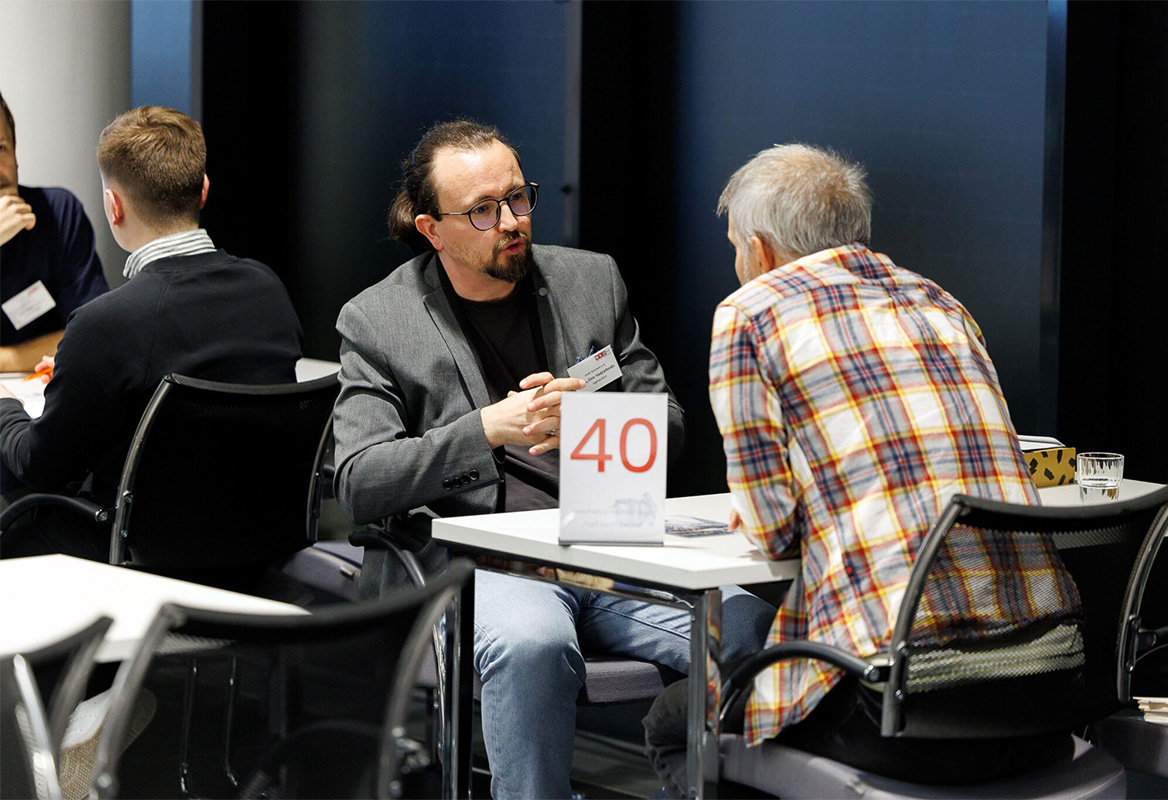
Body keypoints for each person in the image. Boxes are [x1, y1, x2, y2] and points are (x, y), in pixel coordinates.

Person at [333, 119, 775, 800]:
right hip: (485, 564)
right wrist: (486, 430)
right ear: (432, 229)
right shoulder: (379, 321)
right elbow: (361, 482)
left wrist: (595, 420)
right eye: (482, 210)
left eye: (518, 198)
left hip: (610, 543)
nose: (510, 222)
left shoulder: (589, 282)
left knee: (748, 624)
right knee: (532, 645)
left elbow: (675, 428)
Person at [643, 144, 1083, 796]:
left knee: (677, 716)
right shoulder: (940, 301)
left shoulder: (751, 312)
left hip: (906, 708)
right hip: (1048, 694)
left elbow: (771, 534)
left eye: (735, 246)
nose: (737, 263)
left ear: (759, 252)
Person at [0, 106, 303, 560]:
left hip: (137, 554)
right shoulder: (270, 290)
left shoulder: (107, 324)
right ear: (203, 191)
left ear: (113, 206)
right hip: (255, 554)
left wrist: (6, 406)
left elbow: (36, 465)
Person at [0, 91, 109, 372]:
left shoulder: (58, 212)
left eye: (1, 148)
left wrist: (5, 359)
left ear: (15, 151)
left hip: (40, 396)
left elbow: (91, 334)